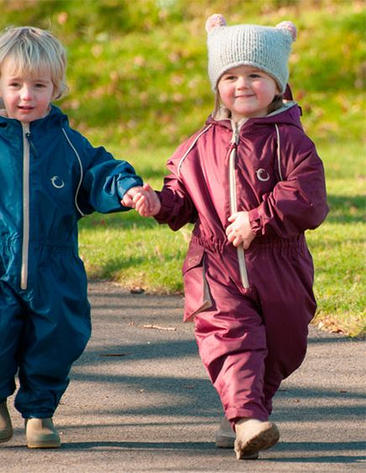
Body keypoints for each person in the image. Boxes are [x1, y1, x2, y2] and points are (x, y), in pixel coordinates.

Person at [0, 26, 149, 449]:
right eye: (15, 84)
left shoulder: (69, 145)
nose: (26, 95)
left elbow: (101, 171)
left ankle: (40, 413)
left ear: (56, 88)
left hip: (53, 266)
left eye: (39, 86)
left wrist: (125, 189)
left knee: (56, 338)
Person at [128, 14, 328, 460]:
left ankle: (245, 412)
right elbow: (181, 196)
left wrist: (258, 221)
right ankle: (248, 418)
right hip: (214, 264)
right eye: (231, 76)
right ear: (216, 83)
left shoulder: (293, 143)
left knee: (284, 346)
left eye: (255, 74)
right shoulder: (197, 145)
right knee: (232, 338)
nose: (242, 85)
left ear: (277, 84)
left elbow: (309, 199)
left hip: (282, 263)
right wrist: (159, 203)